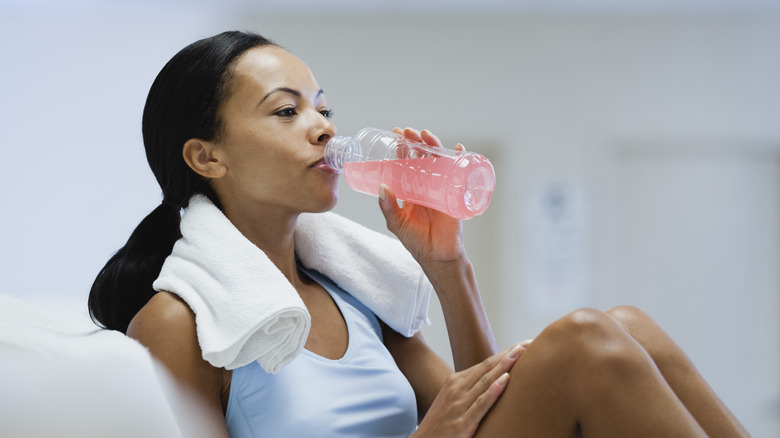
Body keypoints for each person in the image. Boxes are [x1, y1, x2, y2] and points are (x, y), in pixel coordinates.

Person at [88, 30, 749, 438]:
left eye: (323, 109)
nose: (322, 128)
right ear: (207, 157)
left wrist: (445, 261)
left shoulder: (352, 291)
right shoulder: (180, 323)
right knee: (583, 341)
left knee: (630, 327)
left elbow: (480, 404)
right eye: (286, 112)